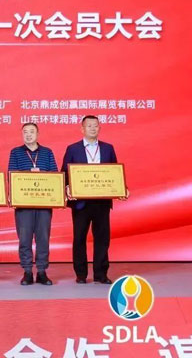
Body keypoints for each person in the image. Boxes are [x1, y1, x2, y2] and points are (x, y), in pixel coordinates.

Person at [61, 115, 128, 285]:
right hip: (80, 202)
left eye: (95, 125)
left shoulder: (108, 148)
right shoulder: (73, 149)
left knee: (102, 238)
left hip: (101, 202)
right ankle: (81, 274)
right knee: (79, 238)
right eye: (89, 125)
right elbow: (64, 173)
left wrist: (122, 188)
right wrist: (67, 188)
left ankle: (101, 273)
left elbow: (114, 173)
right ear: (82, 129)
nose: (92, 128)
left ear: (99, 128)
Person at [8, 123, 58, 286]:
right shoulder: (15, 152)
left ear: (38, 134)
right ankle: (27, 271)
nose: (28, 135)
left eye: (31, 132)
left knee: (43, 238)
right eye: (25, 132)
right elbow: (12, 174)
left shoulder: (47, 152)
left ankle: (42, 271)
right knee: (24, 238)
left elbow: (55, 175)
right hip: (23, 203)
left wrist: (41, 175)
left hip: (44, 202)